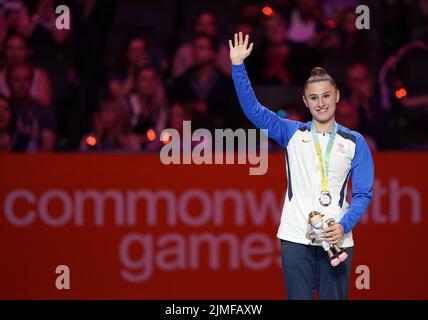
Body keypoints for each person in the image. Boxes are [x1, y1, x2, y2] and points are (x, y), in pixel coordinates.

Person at [229, 32, 374, 300]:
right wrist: (238, 67)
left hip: (338, 239)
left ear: (338, 96)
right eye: (314, 98)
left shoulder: (355, 142)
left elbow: (364, 194)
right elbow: (253, 110)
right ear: (305, 101)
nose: (321, 103)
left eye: (326, 96)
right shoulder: (291, 132)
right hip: (296, 237)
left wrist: (344, 225)